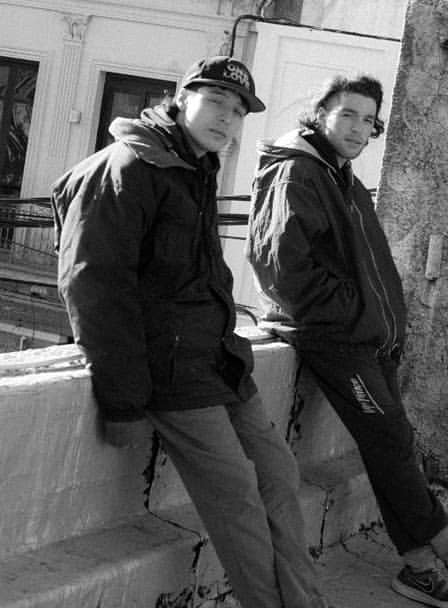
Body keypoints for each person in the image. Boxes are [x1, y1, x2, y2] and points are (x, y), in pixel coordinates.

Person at [52, 56, 327, 608]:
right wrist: (123, 401)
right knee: (238, 498)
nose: (228, 119)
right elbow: (94, 288)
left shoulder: (192, 166)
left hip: (220, 360)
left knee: (279, 475)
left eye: (238, 111)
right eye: (216, 102)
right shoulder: (127, 168)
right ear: (181, 100)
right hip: (172, 373)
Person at [246, 74, 448, 608]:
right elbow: (283, 270)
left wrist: (376, 319)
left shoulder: (338, 174)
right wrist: (354, 312)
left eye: (368, 120)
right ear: (320, 113)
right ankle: (441, 553)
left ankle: (425, 561)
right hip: (334, 339)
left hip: (366, 337)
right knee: (389, 440)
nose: (358, 129)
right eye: (347, 115)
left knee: (393, 445)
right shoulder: (298, 171)